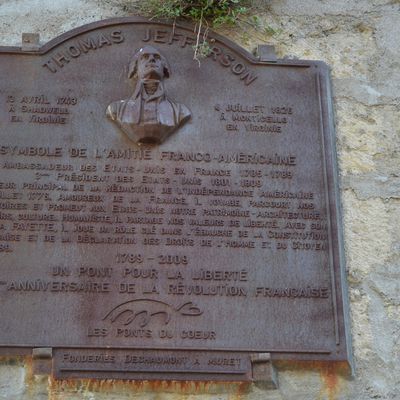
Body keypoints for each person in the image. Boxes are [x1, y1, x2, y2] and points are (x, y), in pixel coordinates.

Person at [106, 45, 191, 145]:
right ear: (135, 69)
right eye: (145, 57)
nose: (152, 60)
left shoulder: (180, 112)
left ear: (164, 69)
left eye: (157, 58)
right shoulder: (117, 110)